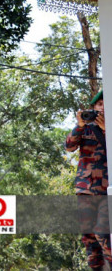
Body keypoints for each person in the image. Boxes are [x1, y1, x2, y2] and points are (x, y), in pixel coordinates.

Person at [66, 90, 109, 270]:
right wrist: (80, 125)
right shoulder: (85, 129)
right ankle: (96, 267)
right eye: (99, 105)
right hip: (85, 188)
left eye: (106, 104)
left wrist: (108, 131)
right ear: (93, 108)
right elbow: (69, 147)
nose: (103, 108)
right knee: (88, 235)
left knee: (102, 231)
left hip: (106, 190)